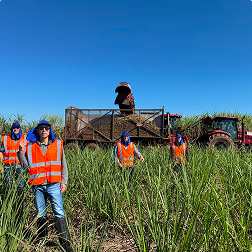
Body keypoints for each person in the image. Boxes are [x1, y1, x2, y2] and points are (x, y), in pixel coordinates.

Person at [18, 120, 72, 252]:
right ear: (37, 131)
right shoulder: (30, 147)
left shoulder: (58, 144)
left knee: (59, 212)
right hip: (38, 185)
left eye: (46, 128)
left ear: (49, 130)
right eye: (41, 128)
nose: (44, 130)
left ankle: (66, 245)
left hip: (54, 184)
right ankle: (42, 241)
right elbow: (26, 167)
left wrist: (64, 181)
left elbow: (63, 165)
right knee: (40, 213)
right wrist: (21, 151)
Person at [0, 122, 26, 189]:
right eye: (14, 127)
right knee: (8, 185)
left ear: (19, 129)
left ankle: (19, 198)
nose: (15, 129)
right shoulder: (5, 138)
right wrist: (1, 165)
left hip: (20, 164)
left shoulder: (24, 138)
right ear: (12, 129)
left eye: (17, 127)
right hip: (8, 165)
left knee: (20, 185)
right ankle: (9, 198)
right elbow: (1, 152)